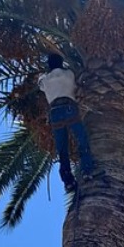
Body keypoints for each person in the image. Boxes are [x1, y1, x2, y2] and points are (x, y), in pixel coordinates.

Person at [39, 54, 93, 192]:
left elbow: (40, 85)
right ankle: (87, 171)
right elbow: (76, 85)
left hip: (55, 113)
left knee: (62, 150)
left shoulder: (45, 79)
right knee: (82, 140)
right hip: (70, 108)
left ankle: (68, 181)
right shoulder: (69, 74)